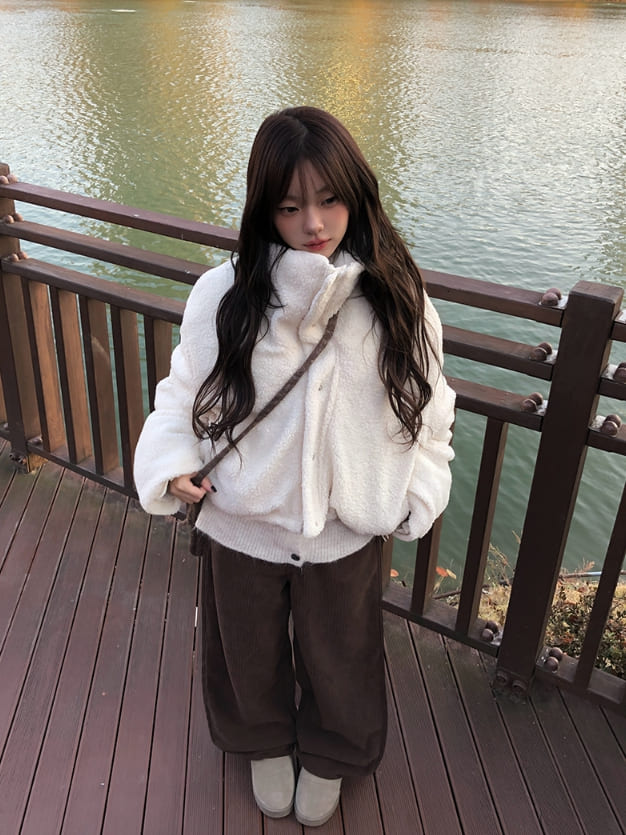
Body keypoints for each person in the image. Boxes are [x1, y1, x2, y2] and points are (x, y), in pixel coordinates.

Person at [134, 106, 455, 827]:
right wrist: (171, 462)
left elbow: (433, 411)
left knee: (344, 653)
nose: (314, 222)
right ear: (263, 208)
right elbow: (184, 391)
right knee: (244, 649)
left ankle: (334, 750)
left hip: (346, 527)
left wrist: (419, 489)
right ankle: (260, 740)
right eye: (289, 206)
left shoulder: (398, 296)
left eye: (330, 198)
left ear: (357, 194)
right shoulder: (224, 294)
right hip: (241, 517)